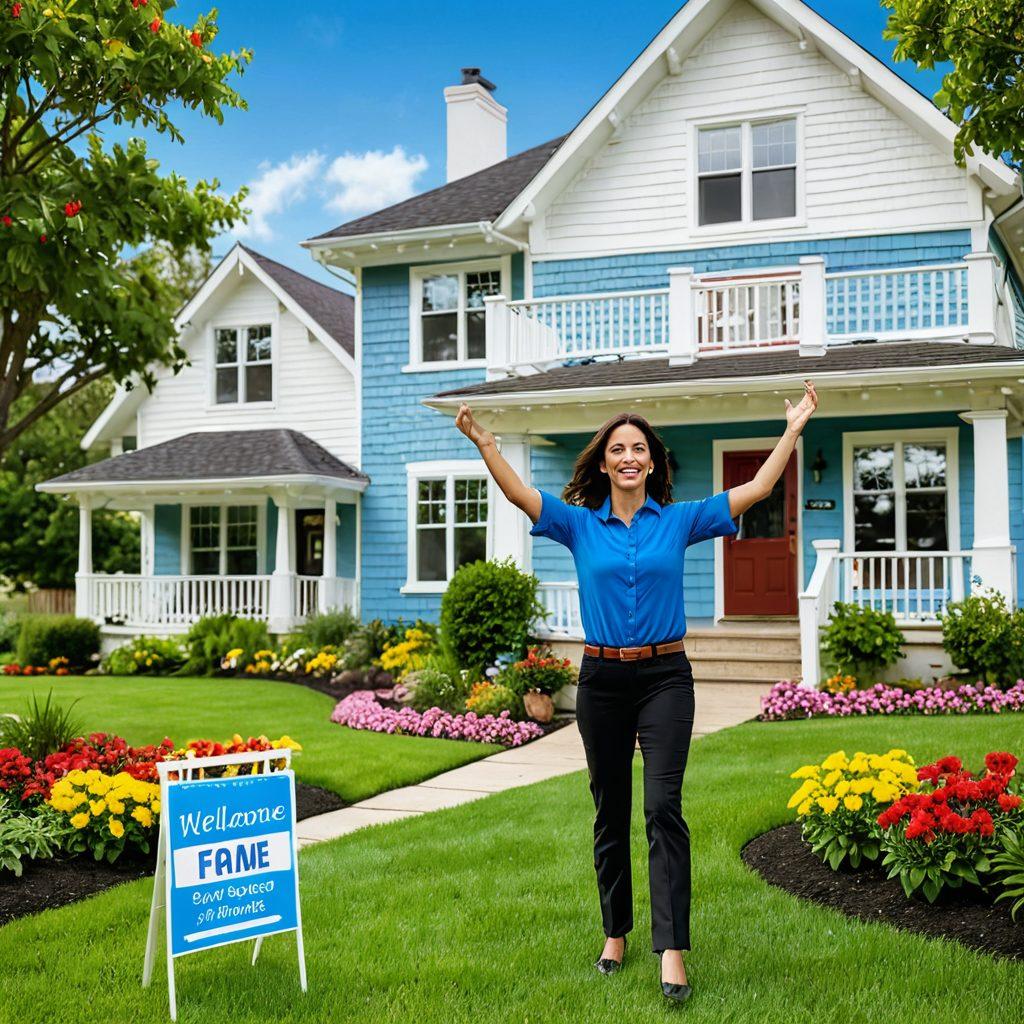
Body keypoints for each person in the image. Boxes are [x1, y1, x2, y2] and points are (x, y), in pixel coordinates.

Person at [454, 381, 818, 1003]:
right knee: (609, 809)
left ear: (652, 461)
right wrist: (488, 443)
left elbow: (756, 490)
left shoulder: (679, 520)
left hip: (665, 677)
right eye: (617, 448)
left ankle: (672, 950)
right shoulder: (577, 524)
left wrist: (793, 429)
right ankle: (615, 933)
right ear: (604, 461)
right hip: (601, 682)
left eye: (639, 449)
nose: (628, 457)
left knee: (662, 807)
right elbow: (520, 494)